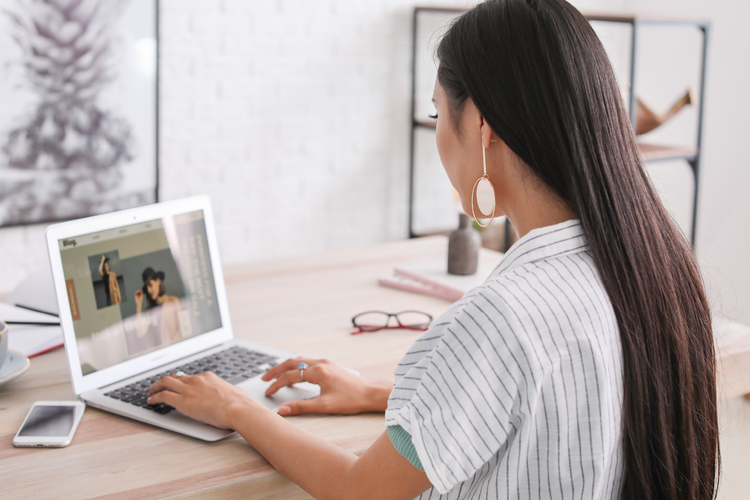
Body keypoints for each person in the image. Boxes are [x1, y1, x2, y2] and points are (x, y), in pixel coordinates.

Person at [147, 1, 719, 499]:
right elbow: (542, 404)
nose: (439, 135)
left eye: (438, 113)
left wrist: (235, 408)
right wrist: (376, 393)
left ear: (485, 127)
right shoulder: (644, 267)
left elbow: (359, 491)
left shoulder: (501, 317)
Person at [134, 267, 183, 345]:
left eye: (150, 285)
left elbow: (182, 329)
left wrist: (171, 346)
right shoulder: (150, 310)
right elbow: (140, 333)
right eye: (147, 288)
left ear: (158, 281)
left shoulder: (173, 301)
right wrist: (138, 305)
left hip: (174, 349)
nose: (149, 290)